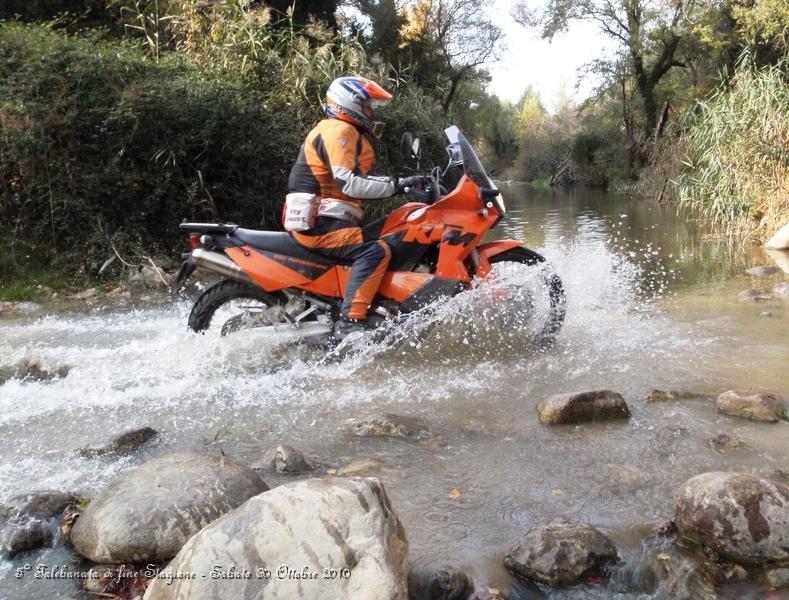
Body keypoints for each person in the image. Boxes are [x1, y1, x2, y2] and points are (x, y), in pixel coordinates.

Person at [286, 76, 422, 339]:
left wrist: (405, 181)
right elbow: (349, 184)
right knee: (376, 251)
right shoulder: (339, 131)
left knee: (392, 230)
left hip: (325, 221)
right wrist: (397, 186)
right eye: (368, 106)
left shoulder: (340, 130)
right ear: (351, 103)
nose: (372, 112)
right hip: (319, 227)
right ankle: (350, 321)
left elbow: (359, 178)